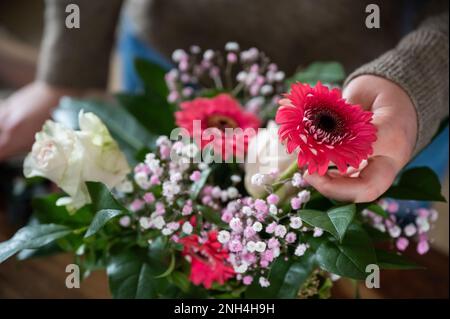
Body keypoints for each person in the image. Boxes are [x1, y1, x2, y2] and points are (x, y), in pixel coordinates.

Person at [0, 0, 448, 203]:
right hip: (169, 45)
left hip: (379, 98)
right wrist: (65, 72)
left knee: (380, 224)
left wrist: (417, 78)